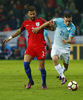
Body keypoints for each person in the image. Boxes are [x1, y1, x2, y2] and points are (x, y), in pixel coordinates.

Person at [3, 6, 51, 89]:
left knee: (41, 67)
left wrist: (42, 27)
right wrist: (9, 38)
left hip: (40, 46)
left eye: (34, 14)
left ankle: (44, 83)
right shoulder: (25, 23)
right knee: (25, 64)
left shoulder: (40, 20)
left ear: (36, 13)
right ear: (28, 14)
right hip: (30, 46)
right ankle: (30, 81)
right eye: (31, 14)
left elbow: (49, 25)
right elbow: (19, 31)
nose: (33, 15)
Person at [32, 12, 76, 85]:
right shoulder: (59, 20)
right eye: (66, 21)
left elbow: (70, 40)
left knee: (66, 67)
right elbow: (48, 22)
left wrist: (66, 41)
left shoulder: (73, 27)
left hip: (65, 48)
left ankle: (62, 73)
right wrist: (39, 28)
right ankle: (63, 77)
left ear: (71, 19)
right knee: (54, 59)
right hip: (56, 46)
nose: (68, 23)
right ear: (63, 19)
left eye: (69, 21)